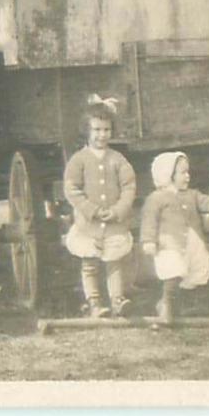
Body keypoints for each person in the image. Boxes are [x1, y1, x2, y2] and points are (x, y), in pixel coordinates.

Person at [141, 152, 209, 323]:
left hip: (193, 242)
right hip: (169, 244)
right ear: (167, 175)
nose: (187, 176)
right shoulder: (156, 198)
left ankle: (188, 305)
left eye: (188, 172)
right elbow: (149, 220)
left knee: (197, 270)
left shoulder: (192, 194)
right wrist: (148, 240)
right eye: (182, 173)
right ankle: (166, 304)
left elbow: (207, 201)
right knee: (174, 271)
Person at [63, 95, 137, 318]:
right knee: (90, 263)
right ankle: (94, 302)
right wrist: (92, 211)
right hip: (89, 224)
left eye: (106, 129)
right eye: (96, 130)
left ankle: (117, 300)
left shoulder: (118, 159)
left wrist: (117, 210)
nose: (101, 135)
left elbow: (129, 186)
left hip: (114, 222)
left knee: (114, 262)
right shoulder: (79, 160)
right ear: (87, 131)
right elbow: (72, 189)